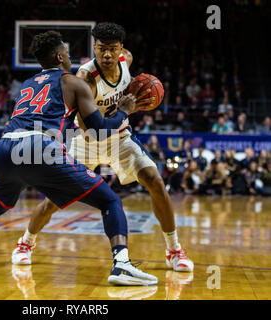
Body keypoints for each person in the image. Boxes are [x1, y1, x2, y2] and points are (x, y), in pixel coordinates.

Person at [0, 30, 158, 286]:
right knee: (110, 201)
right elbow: (99, 131)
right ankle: (121, 264)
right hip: (39, 146)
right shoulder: (73, 82)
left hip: (5, 147)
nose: (70, 58)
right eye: (68, 54)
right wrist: (124, 111)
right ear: (59, 56)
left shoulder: (29, 84)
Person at [11, 23, 194, 273]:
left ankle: (174, 250)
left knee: (155, 180)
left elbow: (126, 103)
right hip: (86, 140)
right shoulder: (86, 78)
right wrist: (125, 111)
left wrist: (140, 101)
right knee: (54, 200)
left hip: (119, 137)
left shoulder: (126, 60)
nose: (106, 55)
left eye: (111, 49)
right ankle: (25, 243)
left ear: (121, 49)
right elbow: (92, 130)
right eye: (100, 49)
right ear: (93, 48)